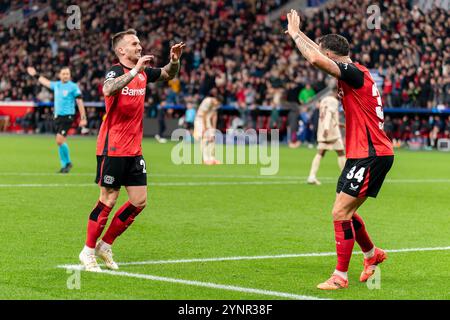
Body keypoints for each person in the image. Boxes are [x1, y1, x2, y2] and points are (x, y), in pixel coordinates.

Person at [286, 10, 394, 290]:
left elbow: (314, 57)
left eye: (325, 54)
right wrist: (302, 36)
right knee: (345, 211)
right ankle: (372, 255)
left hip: (371, 154)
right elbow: (319, 52)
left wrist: (297, 34)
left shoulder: (352, 73)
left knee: (340, 213)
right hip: (361, 153)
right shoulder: (357, 71)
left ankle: (340, 277)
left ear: (332, 56)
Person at [78, 28, 184, 272]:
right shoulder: (116, 71)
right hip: (112, 147)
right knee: (109, 199)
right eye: (134, 44)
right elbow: (108, 89)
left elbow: (168, 73)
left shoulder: (144, 72)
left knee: (139, 201)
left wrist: (175, 60)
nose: (139, 46)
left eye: (139, 43)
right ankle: (87, 250)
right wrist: (135, 70)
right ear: (121, 50)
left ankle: (105, 245)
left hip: (134, 149)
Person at [27, 66, 87, 173]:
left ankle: (68, 162)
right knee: (60, 142)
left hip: (68, 116)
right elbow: (45, 82)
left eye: (67, 74)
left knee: (59, 140)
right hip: (57, 117)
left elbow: (79, 102)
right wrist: (35, 74)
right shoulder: (57, 85)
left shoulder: (73, 86)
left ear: (70, 75)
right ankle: (65, 165)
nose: (65, 76)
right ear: (60, 75)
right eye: (63, 74)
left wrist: (83, 118)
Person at [307, 94, 346, 185]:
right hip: (331, 132)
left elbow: (326, 116)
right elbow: (329, 114)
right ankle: (345, 178)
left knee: (320, 153)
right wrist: (327, 128)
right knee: (340, 152)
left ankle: (311, 176)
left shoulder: (323, 100)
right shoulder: (333, 101)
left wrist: (338, 123)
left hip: (322, 131)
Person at [193, 96, 221, 165]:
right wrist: (205, 128)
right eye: (217, 103)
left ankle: (212, 158)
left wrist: (214, 128)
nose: (217, 105)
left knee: (212, 138)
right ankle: (205, 159)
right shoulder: (207, 101)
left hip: (207, 120)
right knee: (205, 138)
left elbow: (214, 115)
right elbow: (204, 115)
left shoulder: (215, 104)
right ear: (215, 100)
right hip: (200, 120)